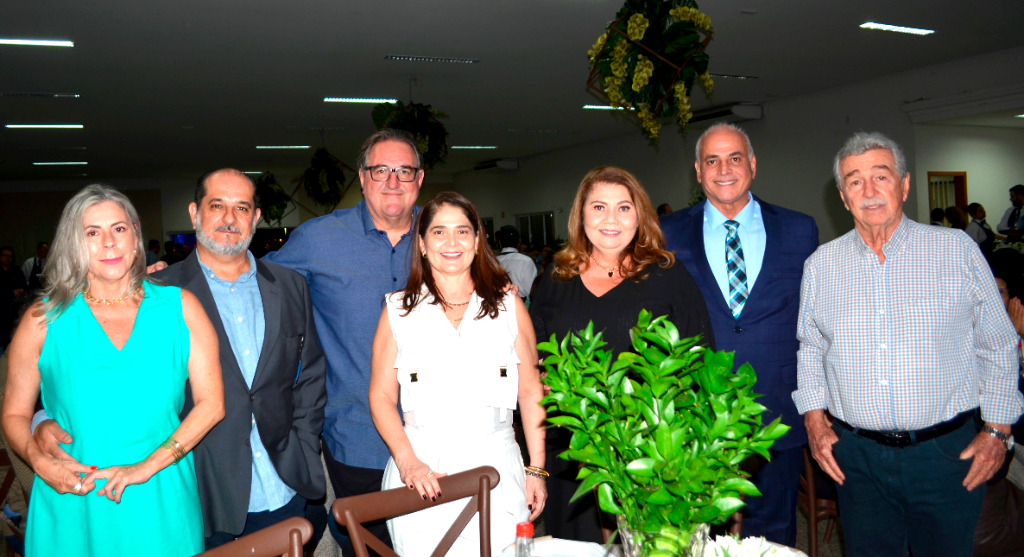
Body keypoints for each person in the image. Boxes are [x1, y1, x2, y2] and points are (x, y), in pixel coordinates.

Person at [34, 169, 328, 550]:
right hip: (203, 490)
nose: (229, 218)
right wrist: (42, 420)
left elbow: (311, 375)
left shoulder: (290, 286)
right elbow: (83, 374)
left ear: (256, 218)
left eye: (242, 207)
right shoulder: (156, 294)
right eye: (216, 205)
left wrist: (305, 444)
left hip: (284, 482)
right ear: (194, 214)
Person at [794, 132, 1022, 557]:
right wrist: (814, 420)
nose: (869, 190)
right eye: (854, 181)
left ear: (904, 184)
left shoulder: (955, 251)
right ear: (843, 197)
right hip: (857, 457)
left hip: (944, 454)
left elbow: (998, 343)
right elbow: (811, 347)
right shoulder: (820, 266)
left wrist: (998, 430)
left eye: (881, 176)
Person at [1, 184, 225, 556]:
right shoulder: (43, 320)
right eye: (92, 232)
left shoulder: (180, 308)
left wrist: (144, 467)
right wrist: (38, 460)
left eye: (119, 229)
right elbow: (13, 412)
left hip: (158, 491)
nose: (109, 242)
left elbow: (212, 404)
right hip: (73, 495)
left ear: (136, 237)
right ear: (74, 243)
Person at [530, 166, 715, 542]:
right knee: (577, 546)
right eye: (598, 207)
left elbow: (701, 358)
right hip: (573, 450)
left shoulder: (667, 275)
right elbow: (535, 360)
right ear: (581, 216)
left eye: (623, 208)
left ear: (640, 216)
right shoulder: (555, 279)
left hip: (651, 448)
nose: (610, 219)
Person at [264, 128, 425, 554]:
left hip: (440, 435)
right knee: (371, 548)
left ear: (420, 179)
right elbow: (251, 281)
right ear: (362, 176)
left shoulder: (447, 236)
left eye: (404, 171)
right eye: (381, 170)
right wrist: (168, 282)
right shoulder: (320, 239)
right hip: (357, 435)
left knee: (440, 543)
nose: (392, 181)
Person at [660, 122, 819, 546]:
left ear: (752, 164)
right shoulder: (667, 233)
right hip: (697, 408)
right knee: (697, 536)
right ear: (698, 170)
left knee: (773, 536)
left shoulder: (800, 230)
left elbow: (815, 320)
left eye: (734, 158)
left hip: (775, 403)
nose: (723, 169)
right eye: (712, 160)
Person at [368, 191, 547, 556]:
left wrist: (537, 469)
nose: (452, 242)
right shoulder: (397, 311)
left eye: (463, 231)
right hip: (422, 471)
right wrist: (407, 462)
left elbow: (531, 392)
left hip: (497, 464)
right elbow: (381, 396)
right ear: (421, 243)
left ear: (478, 240)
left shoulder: (509, 306)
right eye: (439, 232)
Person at [495, 225, 538, 300]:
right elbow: (531, 290)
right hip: (521, 305)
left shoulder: (492, 262)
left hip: (496, 304)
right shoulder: (526, 261)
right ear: (519, 241)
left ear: (500, 243)